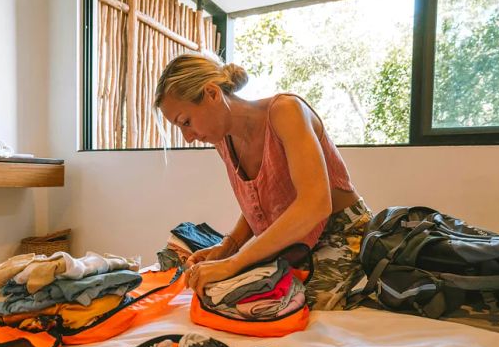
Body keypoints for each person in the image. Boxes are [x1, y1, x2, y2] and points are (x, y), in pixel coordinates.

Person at [155, 52, 373, 311]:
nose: (188, 137)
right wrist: (228, 246)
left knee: (288, 305)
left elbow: (315, 204)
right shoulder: (222, 140)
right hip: (289, 240)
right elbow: (259, 202)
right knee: (224, 293)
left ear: (212, 93)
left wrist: (233, 263)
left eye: (186, 122)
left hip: (341, 232)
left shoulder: (286, 111)